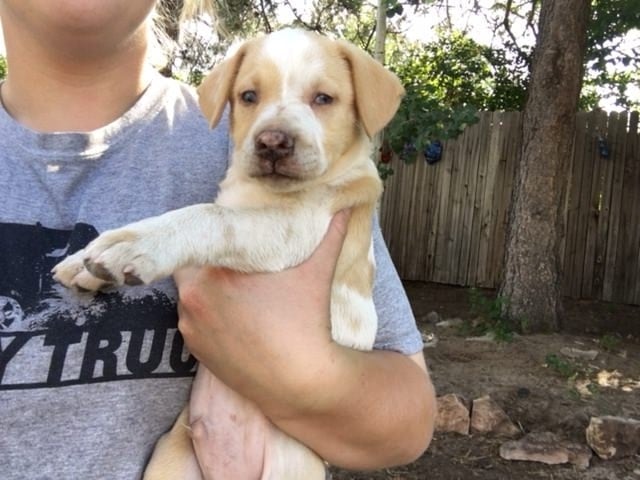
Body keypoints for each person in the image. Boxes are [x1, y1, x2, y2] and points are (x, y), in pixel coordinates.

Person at [0, 1, 437, 478]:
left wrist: (306, 375)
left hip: (283, 451)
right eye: (250, 97)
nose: (274, 134)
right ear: (228, 101)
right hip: (187, 440)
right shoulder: (227, 148)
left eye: (323, 99)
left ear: (362, 106)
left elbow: (408, 421)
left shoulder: (337, 185)